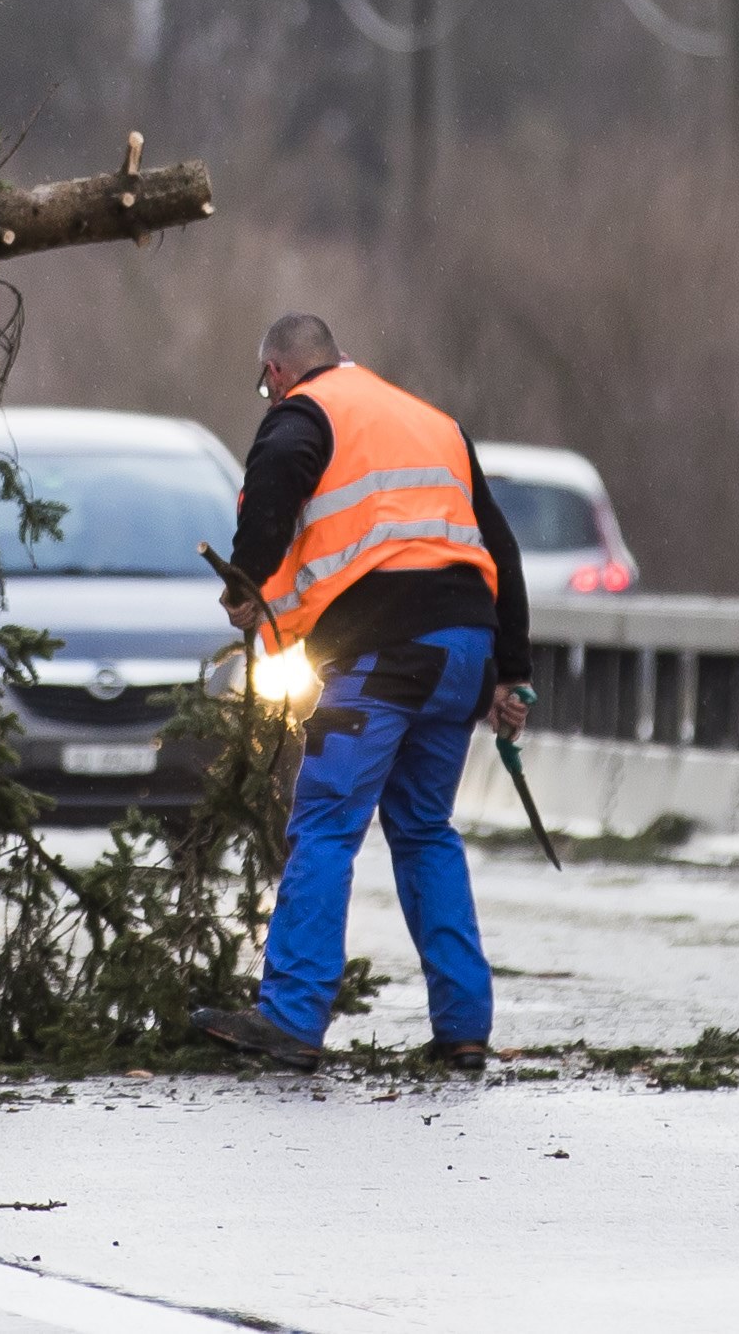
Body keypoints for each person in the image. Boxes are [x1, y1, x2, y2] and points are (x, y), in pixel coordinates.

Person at [192, 313, 532, 1071]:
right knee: (423, 828)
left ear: (279, 371)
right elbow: (498, 545)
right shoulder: (433, 422)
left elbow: (277, 469)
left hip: (385, 650)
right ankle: (465, 1025)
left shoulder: (305, 414)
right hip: (463, 651)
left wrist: (246, 580)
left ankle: (290, 1016)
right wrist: (514, 670)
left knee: (325, 824)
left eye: (264, 383)